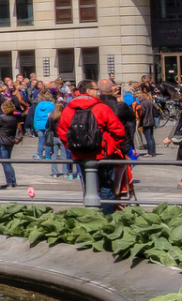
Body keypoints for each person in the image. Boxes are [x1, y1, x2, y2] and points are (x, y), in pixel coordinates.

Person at [55, 80, 128, 214]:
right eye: (96, 89)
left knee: (88, 187)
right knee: (106, 187)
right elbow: (119, 131)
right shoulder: (101, 107)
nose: (98, 92)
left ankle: (91, 216)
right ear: (89, 91)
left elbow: (62, 132)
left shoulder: (69, 109)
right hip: (102, 154)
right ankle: (107, 218)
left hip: (80, 155)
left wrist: (72, 147)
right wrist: (111, 146)